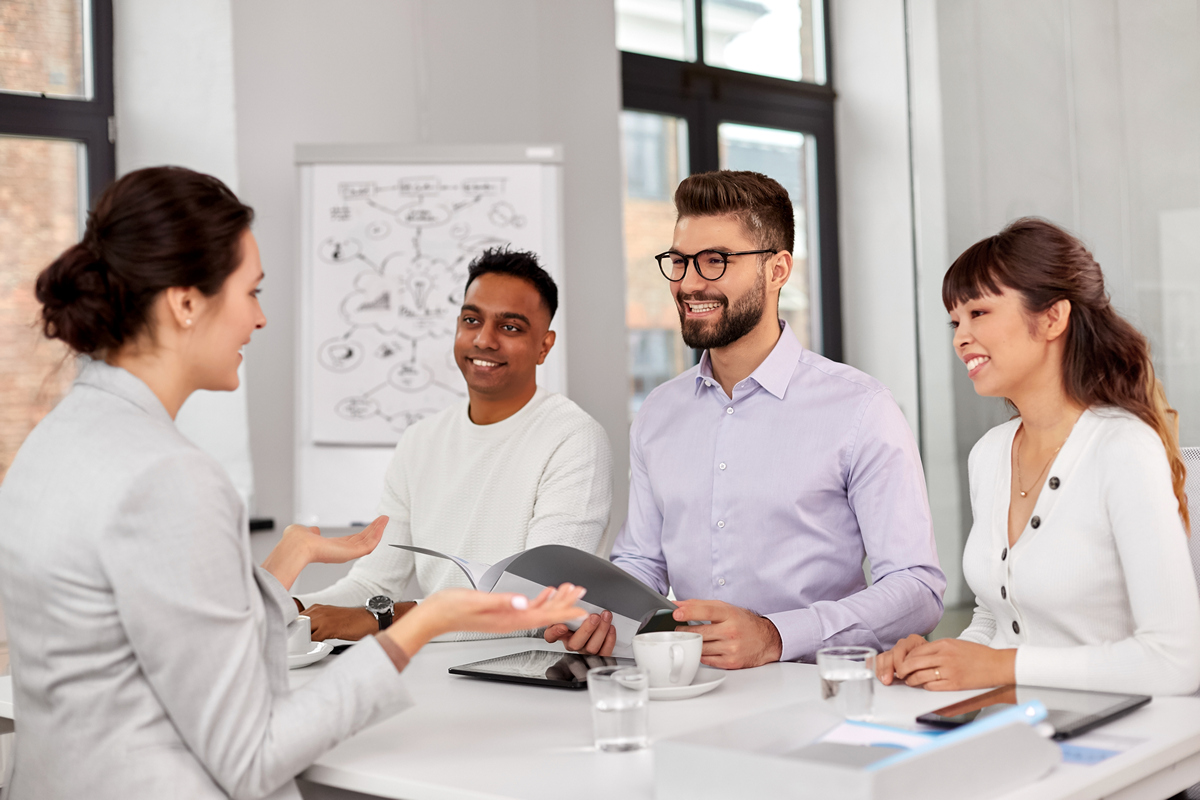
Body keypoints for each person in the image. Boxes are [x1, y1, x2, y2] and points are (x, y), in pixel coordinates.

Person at [0, 167, 588, 800]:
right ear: (187, 302)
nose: (259, 318)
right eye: (250, 291)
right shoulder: (170, 476)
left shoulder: (52, 442)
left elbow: (152, 638)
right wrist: (423, 622)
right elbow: (253, 755)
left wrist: (288, 565)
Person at [546, 170, 946, 668]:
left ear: (778, 270)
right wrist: (600, 616)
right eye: (679, 261)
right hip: (688, 692)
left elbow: (916, 588)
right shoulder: (659, 413)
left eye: (716, 261)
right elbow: (643, 563)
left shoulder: (861, 408)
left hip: (815, 696)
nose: (690, 282)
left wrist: (777, 635)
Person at [877, 217, 1200, 696]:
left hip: (1121, 740)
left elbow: (1174, 662)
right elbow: (994, 618)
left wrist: (1001, 668)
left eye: (979, 313)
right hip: (1017, 726)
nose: (959, 337)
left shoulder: (1122, 449)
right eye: (955, 321)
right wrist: (939, 661)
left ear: (1052, 318)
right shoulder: (989, 455)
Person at [296, 249, 612, 641]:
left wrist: (388, 619)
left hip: (525, 678)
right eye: (471, 320)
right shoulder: (420, 441)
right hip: (433, 672)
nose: (484, 339)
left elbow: (538, 604)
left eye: (510, 327)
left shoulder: (573, 437)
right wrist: (290, 609)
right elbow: (371, 587)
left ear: (544, 346)